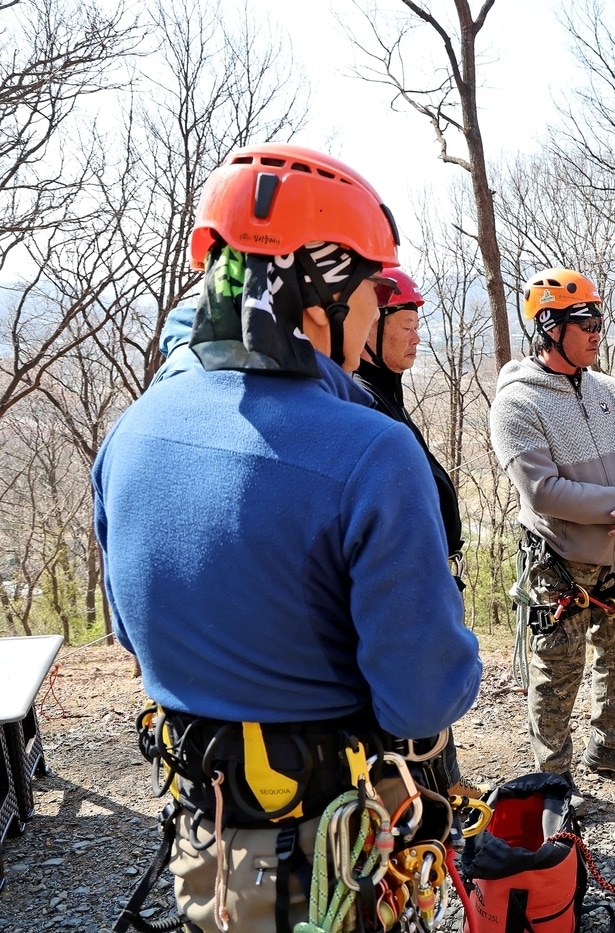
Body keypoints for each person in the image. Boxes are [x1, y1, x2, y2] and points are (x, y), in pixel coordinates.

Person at [94, 144, 482, 932]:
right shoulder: (373, 452)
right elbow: (423, 695)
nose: (375, 317)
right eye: (372, 292)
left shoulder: (131, 433)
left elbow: (133, 635)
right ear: (319, 300)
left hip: (207, 847)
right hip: (331, 857)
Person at [489, 268, 615, 788]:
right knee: (558, 672)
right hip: (559, 563)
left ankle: (610, 746)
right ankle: (553, 777)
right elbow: (542, 491)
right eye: (585, 324)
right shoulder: (517, 402)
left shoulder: (607, 389)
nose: (596, 333)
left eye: (598, 323)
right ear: (549, 326)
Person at [354, 266, 465, 579]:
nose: (417, 338)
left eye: (417, 327)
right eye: (407, 327)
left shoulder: (387, 396)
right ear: (370, 327)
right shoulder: (364, 402)